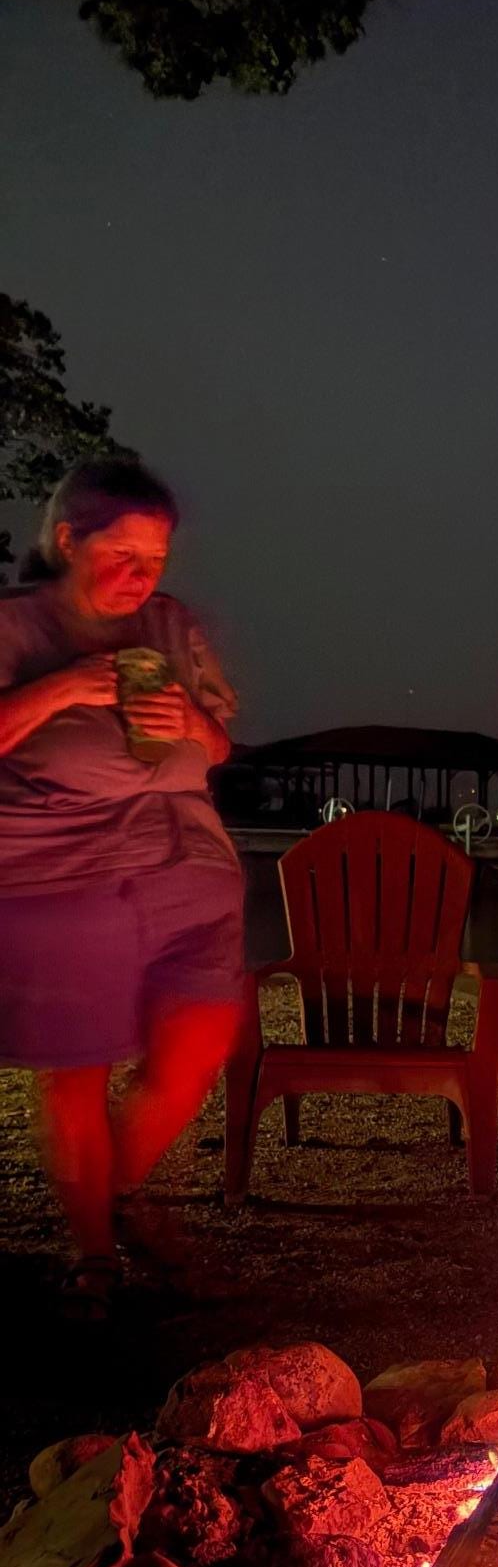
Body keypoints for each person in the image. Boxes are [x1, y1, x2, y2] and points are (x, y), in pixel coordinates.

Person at [0, 459, 245, 1320]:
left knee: (199, 1037)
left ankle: (121, 1186)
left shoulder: (171, 628)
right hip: (57, 866)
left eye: (157, 558)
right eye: (123, 555)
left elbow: (218, 749)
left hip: (181, 861)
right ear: (68, 541)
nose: (141, 577)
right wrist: (64, 688)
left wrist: (193, 723)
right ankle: (95, 1252)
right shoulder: (16, 627)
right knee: (79, 1063)